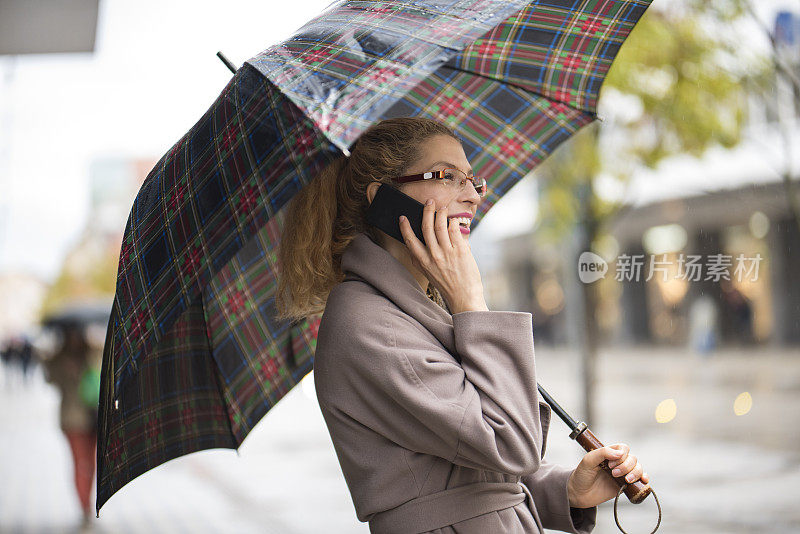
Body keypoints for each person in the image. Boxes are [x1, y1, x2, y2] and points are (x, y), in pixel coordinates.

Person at [276, 117, 648, 533]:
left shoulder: (415, 305)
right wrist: (472, 301)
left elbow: (475, 479)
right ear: (383, 199)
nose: (472, 196)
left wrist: (567, 490)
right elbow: (509, 444)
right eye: (447, 176)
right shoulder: (369, 324)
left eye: (473, 180)